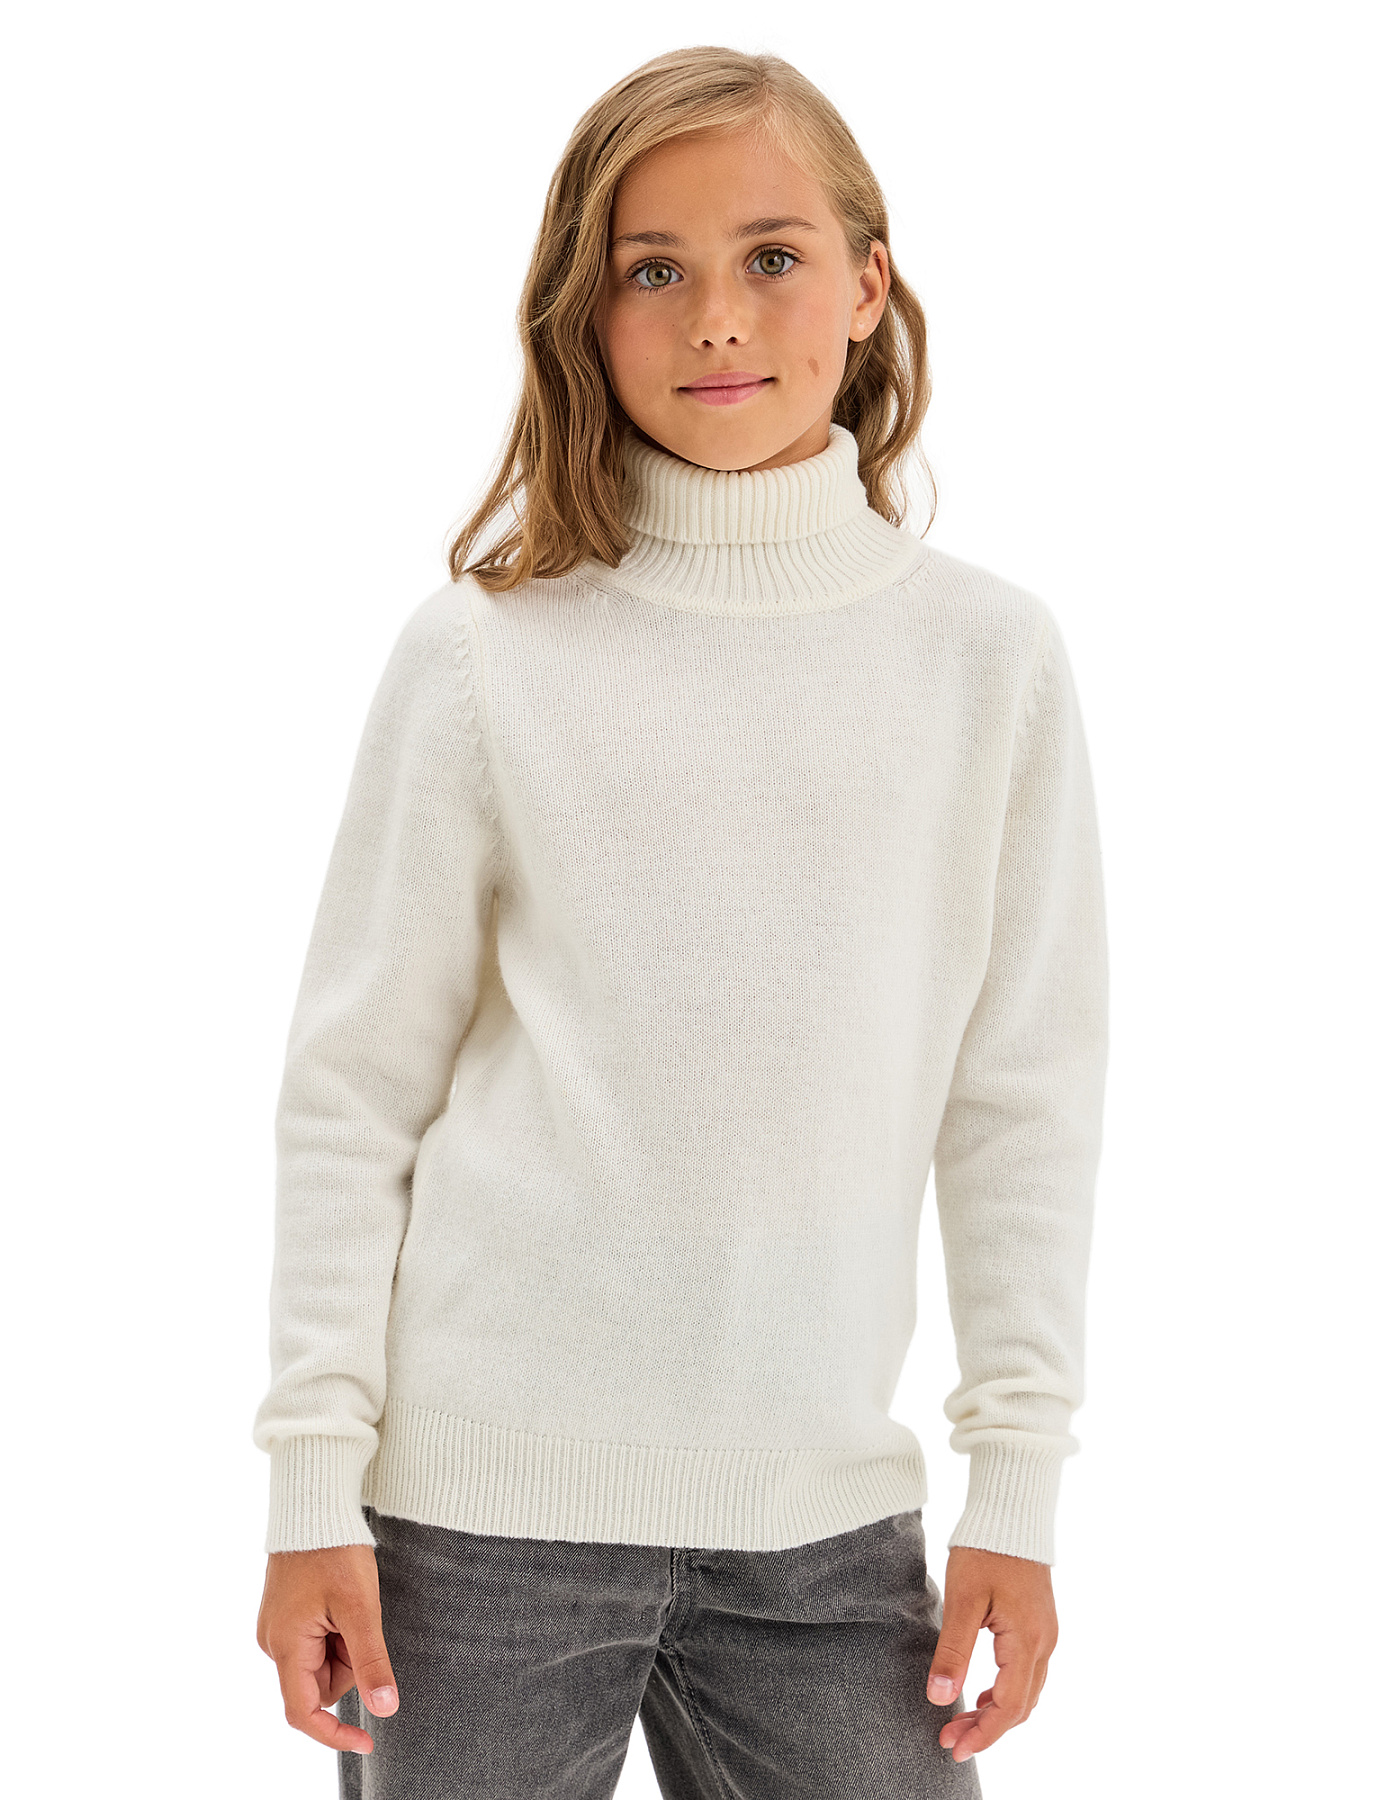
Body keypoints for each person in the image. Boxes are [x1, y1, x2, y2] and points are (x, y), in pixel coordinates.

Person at [253, 44, 1109, 1800]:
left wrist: (1014, 1492)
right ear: (585, 311)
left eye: (770, 256)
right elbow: (354, 1092)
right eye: (652, 269)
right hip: (473, 1533)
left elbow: (1019, 1102)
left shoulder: (987, 661)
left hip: (825, 1531)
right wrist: (307, 1488)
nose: (715, 315)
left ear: (866, 284)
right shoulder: (486, 652)